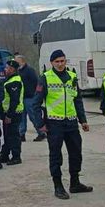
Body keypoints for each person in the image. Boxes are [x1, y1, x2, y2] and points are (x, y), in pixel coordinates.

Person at [35, 49, 93, 199]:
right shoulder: (45, 78)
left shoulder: (72, 77)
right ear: (52, 63)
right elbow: (36, 104)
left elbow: (77, 100)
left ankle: (75, 183)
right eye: (57, 62)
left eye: (62, 61)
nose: (60, 64)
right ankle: (58, 186)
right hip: (54, 123)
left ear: (65, 61)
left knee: (76, 153)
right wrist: (40, 124)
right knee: (56, 155)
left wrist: (83, 120)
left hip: (71, 122)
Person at [16, 54, 46, 142]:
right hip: (21, 98)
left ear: (22, 61)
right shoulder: (18, 71)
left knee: (33, 116)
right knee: (21, 118)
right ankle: (21, 134)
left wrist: (36, 94)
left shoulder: (29, 70)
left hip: (30, 97)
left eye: (17, 61)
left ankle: (41, 133)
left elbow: (36, 82)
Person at [0, 60, 24, 165]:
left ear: (12, 69)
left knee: (13, 136)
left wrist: (9, 115)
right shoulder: (9, 80)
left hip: (14, 113)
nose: (5, 69)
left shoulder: (15, 81)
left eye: (7, 68)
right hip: (8, 112)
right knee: (8, 135)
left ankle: (16, 157)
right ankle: (5, 155)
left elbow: (15, 100)